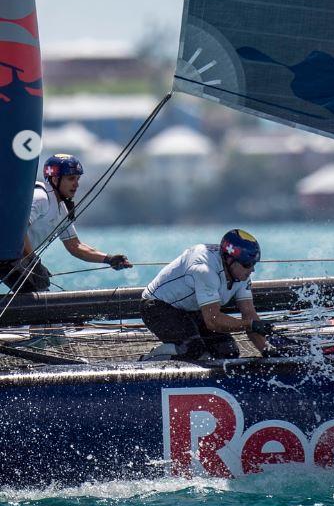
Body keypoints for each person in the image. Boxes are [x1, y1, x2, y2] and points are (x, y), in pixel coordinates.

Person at [0, 153, 132, 294]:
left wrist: (109, 259)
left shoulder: (62, 209)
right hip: (6, 257)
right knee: (39, 298)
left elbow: (75, 246)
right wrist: (33, 262)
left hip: (10, 259)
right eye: (71, 179)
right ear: (55, 179)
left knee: (41, 295)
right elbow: (18, 229)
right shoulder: (40, 198)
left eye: (77, 178)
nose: (76, 184)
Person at [140, 228, 276, 361]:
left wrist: (268, 351)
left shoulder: (241, 275)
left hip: (190, 310)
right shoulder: (205, 270)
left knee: (228, 351)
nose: (252, 270)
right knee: (193, 350)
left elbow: (249, 314)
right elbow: (213, 321)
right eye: (247, 264)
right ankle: (148, 361)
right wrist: (250, 325)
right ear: (229, 260)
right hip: (156, 307)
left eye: (254, 264)